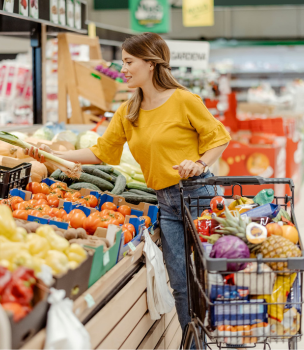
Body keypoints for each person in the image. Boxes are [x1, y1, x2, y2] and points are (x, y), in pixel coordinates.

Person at [27, 32, 231, 332]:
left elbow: (219, 138)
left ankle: (224, 330)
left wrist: (198, 163)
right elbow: (101, 152)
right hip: (167, 202)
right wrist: (52, 155)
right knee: (180, 282)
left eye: (128, 62)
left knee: (211, 270)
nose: (122, 69)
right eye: (122, 62)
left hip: (199, 194)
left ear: (150, 63)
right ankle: (195, 339)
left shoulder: (184, 100)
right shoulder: (128, 111)